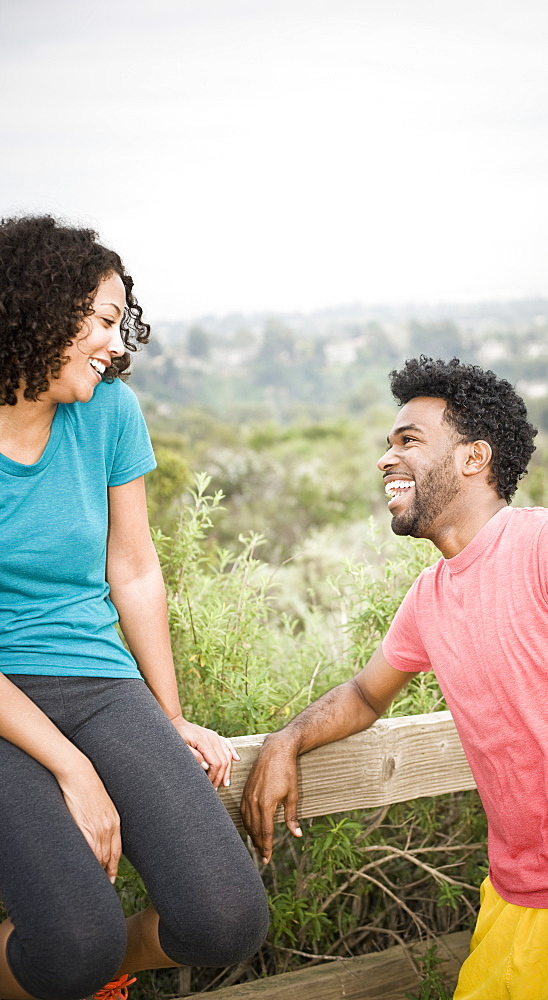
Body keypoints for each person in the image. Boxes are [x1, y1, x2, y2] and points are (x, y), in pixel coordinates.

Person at [241, 356, 548, 1000]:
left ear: (474, 458)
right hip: (512, 898)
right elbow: (363, 695)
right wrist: (286, 739)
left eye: (409, 441)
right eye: (388, 445)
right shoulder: (430, 595)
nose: (387, 459)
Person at [0, 215, 269, 1000]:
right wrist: (73, 768)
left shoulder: (110, 412)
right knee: (72, 946)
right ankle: (65, 967)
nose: (118, 346)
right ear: (38, 305)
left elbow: (135, 568)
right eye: (105, 322)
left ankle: (83, 971)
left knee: (227, 919)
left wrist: (168, 713)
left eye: (123, 325)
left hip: (99, 685)